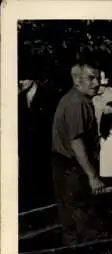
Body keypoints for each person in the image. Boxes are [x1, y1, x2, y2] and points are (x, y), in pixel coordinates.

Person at [51, 60, 105, 245]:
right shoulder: (76, 104)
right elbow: (77, 142)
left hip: (65, 166)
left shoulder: (77, 100)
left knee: (70, 220)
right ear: (76, 81)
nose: (96, 83)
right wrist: (92, 176)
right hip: (72, 168)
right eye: (90, 79)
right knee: (84, 218)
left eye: (97, 78)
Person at [18, 64, 59, 211]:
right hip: (26, 150)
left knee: (45, 183)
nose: (20, 82)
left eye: (23, 78)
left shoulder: (48, 96)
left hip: (45, 148)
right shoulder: (18, 99)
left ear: (32, 79)